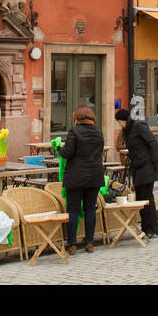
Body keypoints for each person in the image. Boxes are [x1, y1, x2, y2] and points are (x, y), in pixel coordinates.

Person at [61, 105, 104, 254]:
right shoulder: (98, 132)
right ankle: (89, 242)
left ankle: (72, 244)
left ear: (77, 117)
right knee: (90, 209)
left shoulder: (75, 132)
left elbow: (67, 153)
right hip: (94, 175)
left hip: (76, 176)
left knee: (73, 210)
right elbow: (99, 151)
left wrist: (58, 148)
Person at [115, 109, 158, 240]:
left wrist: (154, 162)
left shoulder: (138, 126)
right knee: (140, 198)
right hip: (137, 166)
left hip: (147, 165)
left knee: (147, 198)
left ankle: (151, 228)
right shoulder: (127, 131)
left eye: (119, 122)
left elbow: (152, 142)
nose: (120, 125)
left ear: (124, 120)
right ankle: (145, 227)